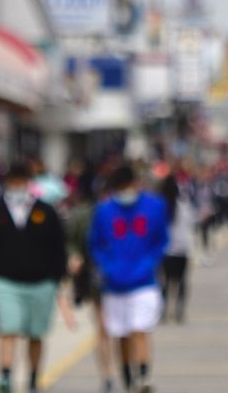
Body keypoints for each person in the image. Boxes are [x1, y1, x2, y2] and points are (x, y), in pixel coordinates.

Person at [0, 160, 71, 393]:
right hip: (6, 282)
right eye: (13, 183)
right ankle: (5, 376)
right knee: (8, 329)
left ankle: (33, 377)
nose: (17, 187)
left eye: (21, 182)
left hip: (41, 283)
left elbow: (58, 246)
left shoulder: (46, 211)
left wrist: (58, 277)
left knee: (35, 334)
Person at [90, 165, 171, 392]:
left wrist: (149, 263)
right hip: (114, 285)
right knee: (121, 334)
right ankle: (127, 377)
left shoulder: (155, 206)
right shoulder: (104, 211)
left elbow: (161, 240)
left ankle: (143, 375)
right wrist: (108, 267)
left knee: (140, 329)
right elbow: (95, 244)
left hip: (144, 282)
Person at [66, 170, 118, 393]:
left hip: (130, 280)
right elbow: (72, 242)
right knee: (103, 328)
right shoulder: (86, 215)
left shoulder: (131, 214)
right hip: (98, 279)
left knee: (127, 330)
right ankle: (107, 375)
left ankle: (129, 371)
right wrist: (75, 256)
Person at [159, 175, 195, 325]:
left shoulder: (160, 207)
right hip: (182, 250)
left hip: (166, 251)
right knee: (181, 281)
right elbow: (191, 225)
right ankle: (179, 310)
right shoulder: (184, 205)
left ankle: (164, 310)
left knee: (165, 282)